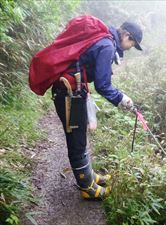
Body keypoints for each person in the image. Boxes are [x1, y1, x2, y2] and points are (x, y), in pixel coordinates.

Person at [51, 20, 143, 200]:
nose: (130, 47)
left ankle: (89, 175)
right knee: (77, 141)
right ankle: (87, 187)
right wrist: (122, 98)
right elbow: (102, 85)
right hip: (69, 95)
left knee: (80, 138)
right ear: (126, 36)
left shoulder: (105, 38)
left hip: (71, 92)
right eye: (132, 44)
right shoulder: (107, 45)